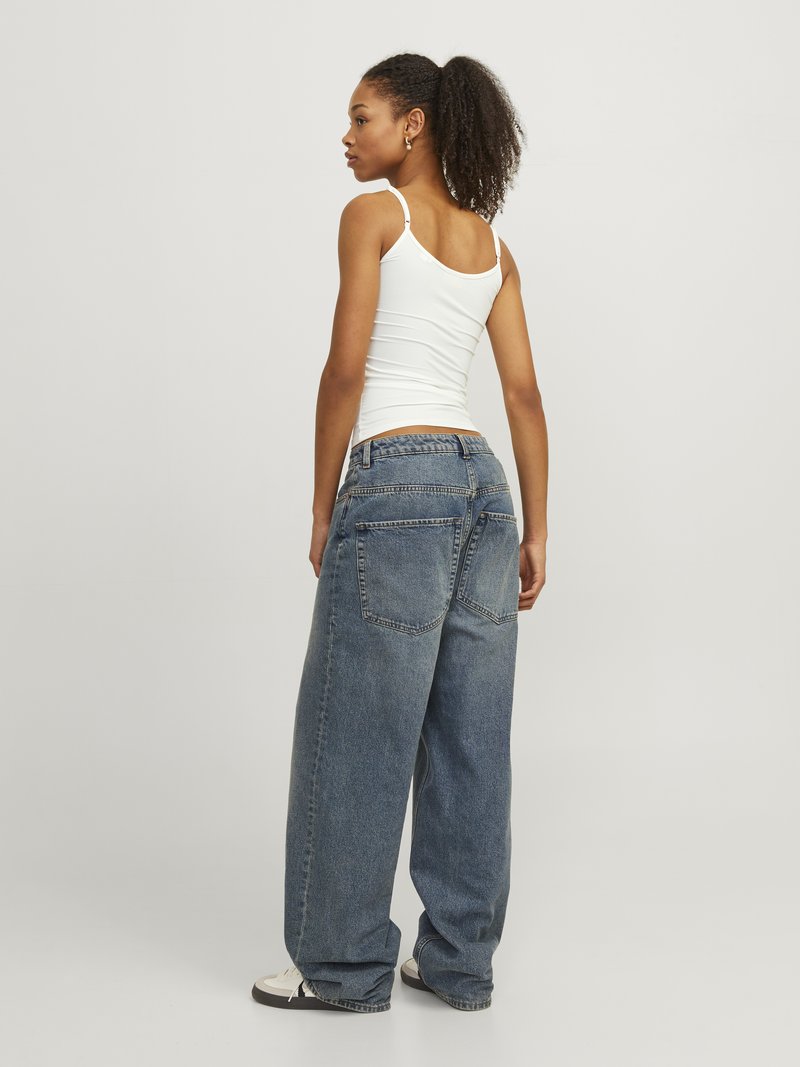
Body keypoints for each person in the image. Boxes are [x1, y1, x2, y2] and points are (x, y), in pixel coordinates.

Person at [252, 52, 548, 1014]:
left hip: (398, 480)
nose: (348, 137)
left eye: (362, 117)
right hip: (485, 492)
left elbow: (346, 368)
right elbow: (522, 395)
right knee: (471, 738)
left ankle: (341, 968)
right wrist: (537, 529)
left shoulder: (375, 215)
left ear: (413, 124)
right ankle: (458, 962)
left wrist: (323, 500)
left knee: (357, 729)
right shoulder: (492, 245)